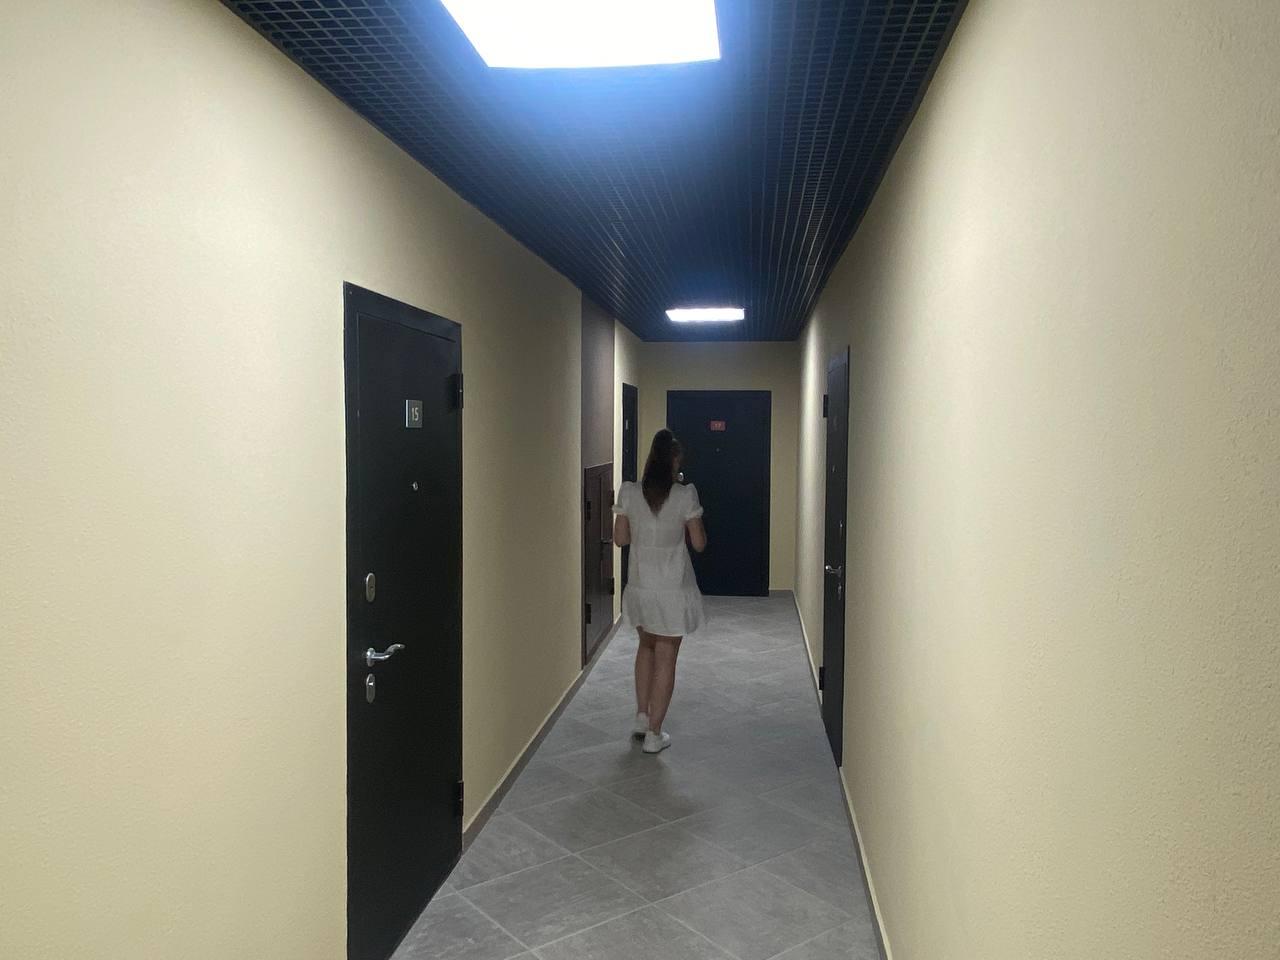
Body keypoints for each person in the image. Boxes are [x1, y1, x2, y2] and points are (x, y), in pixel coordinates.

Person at [612, 429, 707, 754]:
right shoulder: (685, 495)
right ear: (674, 461)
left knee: (646, 647)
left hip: (641, 586)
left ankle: (642, 716)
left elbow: (620, 539)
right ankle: (655, 734)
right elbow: (699, 543)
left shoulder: (629, 492)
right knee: (667, 656)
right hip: (672, 589)